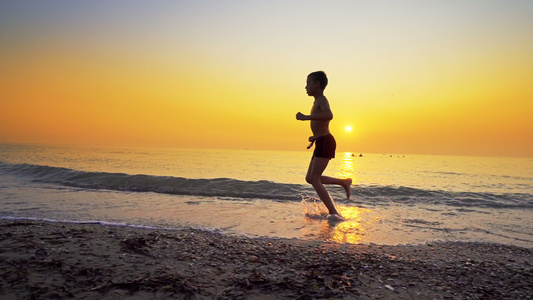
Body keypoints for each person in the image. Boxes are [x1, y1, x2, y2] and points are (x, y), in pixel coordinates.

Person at [296, 71, 352, 221]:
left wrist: (306, 117)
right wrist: (314, 137)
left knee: (315, 179)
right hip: (321, 141)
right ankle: (343, 182)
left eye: (308, 83)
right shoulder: (316, 101)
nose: (305, 87)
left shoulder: (322, 99)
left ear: (317, 84)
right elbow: (321, 123)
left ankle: (334, 212)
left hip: (326, 141)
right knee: (310, 178)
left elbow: (329, 115)